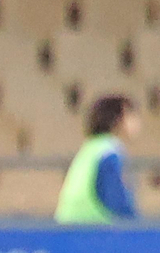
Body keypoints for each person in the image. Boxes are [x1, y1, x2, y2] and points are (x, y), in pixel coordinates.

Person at [55, 94, 141, 224]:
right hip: (90, 230)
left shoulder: (90, 148)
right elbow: (116, 200)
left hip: (67, 228)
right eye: (131, 115)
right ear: (117, 119)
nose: (137, 121)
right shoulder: (109, 152)